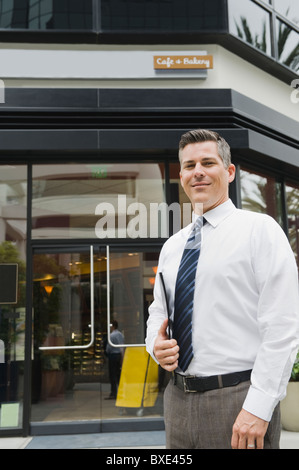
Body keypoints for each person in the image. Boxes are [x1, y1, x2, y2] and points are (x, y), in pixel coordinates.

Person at [146, 129, 299, 449]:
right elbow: (158, 311)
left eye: (207, 162)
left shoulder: (261, 232)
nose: (197, 171)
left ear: (229, 172)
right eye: (189, 166)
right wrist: (154, 344)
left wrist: (258, 407)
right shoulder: (172, 247)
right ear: (182, 175)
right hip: (177, 400)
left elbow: (283, 326)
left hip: (238, 400)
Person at [105, 320, 124, 399]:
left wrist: (106, 352)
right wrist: (122, 357)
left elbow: (108, 348)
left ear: (113, 326)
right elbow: (122, 346)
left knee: (112, 375)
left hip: (113, 356)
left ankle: (113, 393)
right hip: (119, 355)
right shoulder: (120, 334)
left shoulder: (111, 335)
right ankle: (121, 392)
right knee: (118, 375)